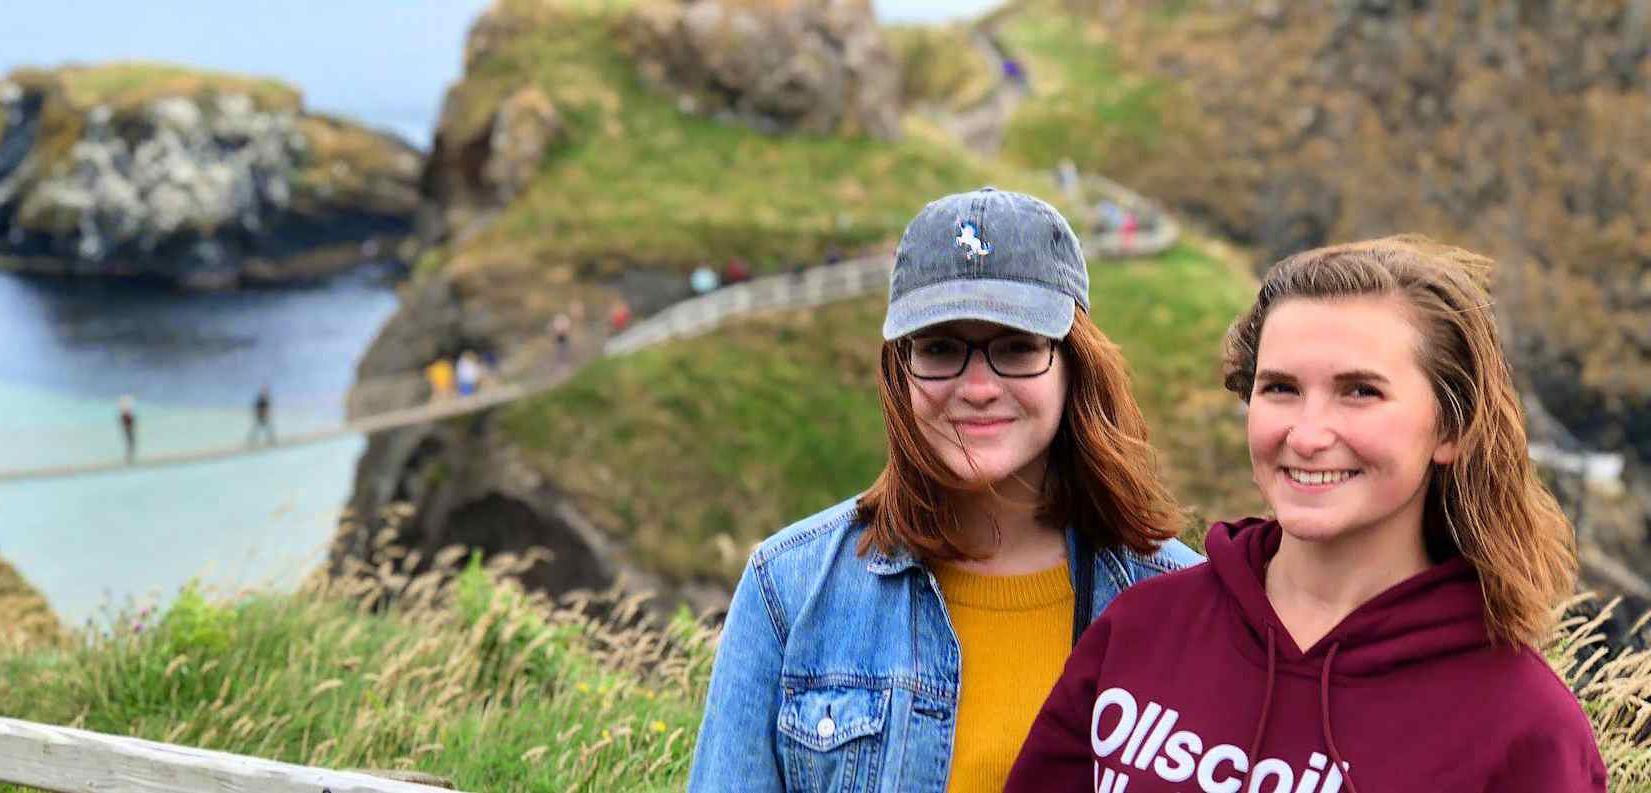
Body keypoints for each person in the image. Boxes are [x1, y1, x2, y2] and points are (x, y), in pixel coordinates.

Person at [1007, 236, 1607, 792]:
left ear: (1449, 428)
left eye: (1360, 391)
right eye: (1280, 388)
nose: (1308, 433)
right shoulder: (1141, 627)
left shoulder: (1523, 727)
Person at [686, 187, 1202, 793]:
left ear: (1073, 364)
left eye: (1017, 347)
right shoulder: (790, 590)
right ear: (898, 368)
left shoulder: (1184, 606)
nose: (978, 387)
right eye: (939, 349)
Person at [118, 395, 136, 463]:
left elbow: (128, 423)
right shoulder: (125, 416)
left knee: (130, 443)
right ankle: (129, 459)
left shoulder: (124, 416)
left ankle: (129, 458)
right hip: (128, 430)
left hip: (127, 430)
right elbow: (130, 423)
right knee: (131, 443)